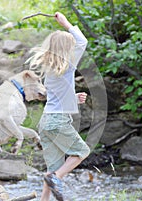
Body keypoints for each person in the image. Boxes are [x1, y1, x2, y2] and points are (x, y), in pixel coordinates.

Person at [28, 12, 90, 201]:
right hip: (58, 121)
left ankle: (47, 191)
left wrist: (73, 97)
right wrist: (65, 23)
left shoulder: (49, 71)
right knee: (82, 152)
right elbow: (83, 41)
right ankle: (57, 177)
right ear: (66, 50)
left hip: (46, 122)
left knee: (51, 168)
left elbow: (56, 97)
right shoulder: (68, 66)